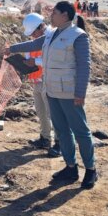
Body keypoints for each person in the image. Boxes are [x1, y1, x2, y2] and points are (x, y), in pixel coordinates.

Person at [8, 1, 98, 189]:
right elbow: (34, 43)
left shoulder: (78, 36)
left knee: (80, 131)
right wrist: (12, 49)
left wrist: (80, 93)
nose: (51, 16)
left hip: (69, 92)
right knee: (62, 131)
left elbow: (84, 67)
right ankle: (70, 167)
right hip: (52, 90)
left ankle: (90, 170)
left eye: (54, 13)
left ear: (64, 15)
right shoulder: (50, 35)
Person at [21, 13, 61, 157]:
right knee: (41, 112)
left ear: (41, 27)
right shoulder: (33, 41)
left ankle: (60, 143)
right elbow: (28, 56)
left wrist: (35, 62)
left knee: (54, 113)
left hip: (48, 80)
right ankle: (45, 138)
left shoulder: (51, 37)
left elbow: (53, 59)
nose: (32, 36)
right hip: (36, 81)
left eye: (33, 33)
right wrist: (24, 63)